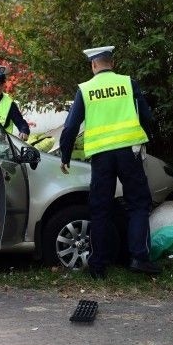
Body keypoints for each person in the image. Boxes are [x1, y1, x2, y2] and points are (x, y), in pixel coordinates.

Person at [59, 45, 160, 279]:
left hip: (101, 156)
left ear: (93, 65)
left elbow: (71, 126)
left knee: (100, 208)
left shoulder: (85, 89)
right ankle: (139, 258)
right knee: (138, 203)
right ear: (112, 63)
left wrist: (65, 156)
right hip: (129, 152)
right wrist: (143, 140)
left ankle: (98, 265)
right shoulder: (128, 83)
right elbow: (146, 116)